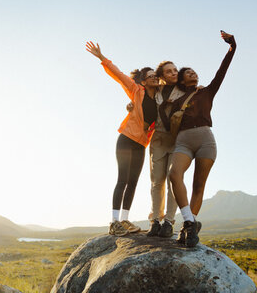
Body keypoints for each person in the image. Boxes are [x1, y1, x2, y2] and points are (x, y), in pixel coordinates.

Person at [167, 31, 236, 247]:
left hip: (206, 139)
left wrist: (232, 47)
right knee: (174, 174)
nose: (194, 74)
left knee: (199, 185)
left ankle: (189, 226)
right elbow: (162, 112)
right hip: (184, 141)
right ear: (181, 78)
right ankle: (189, 222)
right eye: (188, 72)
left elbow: (222, 71)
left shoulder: (207, 91)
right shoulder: (177, 100)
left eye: (195, 72)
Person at [86, 41, 160, 236]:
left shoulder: (161, 100)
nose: (154, 78)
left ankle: (125, 220)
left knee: (134, 181)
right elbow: (118, 75)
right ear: (143, 81)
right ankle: (114, 221)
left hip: (141, 144)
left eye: (155, 76)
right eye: (150, 76)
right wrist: (102, 58)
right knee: (123, 179)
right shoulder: (136, 91)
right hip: (126, 139)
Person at [145, 60, 188, 238]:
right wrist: (130, 106)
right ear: (161, 76)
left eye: (175, 70)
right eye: (169, 71)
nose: (174, 73)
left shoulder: (186, 90)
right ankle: (155, 220)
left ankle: (169, 222)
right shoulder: (156, 92)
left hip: (178, 140)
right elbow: (141, 102)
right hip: (158, 140)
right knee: (156, 181)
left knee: (173, 181)